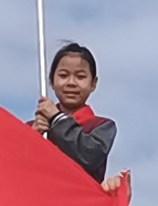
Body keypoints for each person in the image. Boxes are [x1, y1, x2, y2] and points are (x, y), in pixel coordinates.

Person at [35, 41, 117, 184]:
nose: (71, 83)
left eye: (80, 77)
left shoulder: (101, 127)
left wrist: (56, 118)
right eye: (63, 75)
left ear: (93, 83)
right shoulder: (35, 127)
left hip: (79, 198)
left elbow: (88, 157)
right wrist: (29, 137)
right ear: (51, 81)